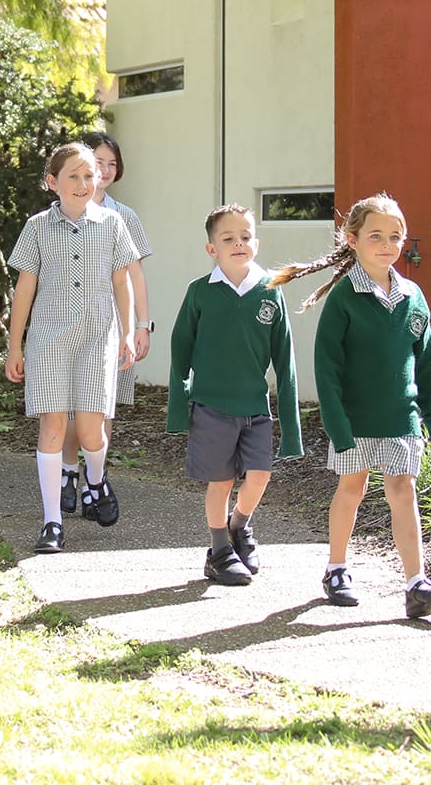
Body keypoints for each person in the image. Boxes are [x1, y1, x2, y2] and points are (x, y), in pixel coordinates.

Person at [270, 192, 431, 618]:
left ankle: (417, 584)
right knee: (352, 488)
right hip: (354, 420)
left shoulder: (413, 296)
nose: (387, 244)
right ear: (352, 240)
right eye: (376, 236)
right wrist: (337, 424)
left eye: (395, 236)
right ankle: (336, 569)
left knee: (402, 490)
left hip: (402, 418)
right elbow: (327, 367)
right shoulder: (344, 298)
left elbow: (426, 361)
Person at [4, 141, 138, 554]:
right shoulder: (37, 227)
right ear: (52, 182)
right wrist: (15, 346)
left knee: (92, 430)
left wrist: (129, 331)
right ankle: (52, 522)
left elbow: (122, 281)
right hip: (48, 339)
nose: (83, 183)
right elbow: (24, 289)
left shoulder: (113, 223)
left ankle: (95, 479)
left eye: (89, 175)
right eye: (73, 176)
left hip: (98, 336)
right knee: (53, 426)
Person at [167, 204, 302, 586]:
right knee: (221, 481)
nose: (238, 243)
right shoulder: (200, 292)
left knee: (259, 476)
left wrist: (291, 426)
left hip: (255, 406)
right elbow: (180, 349)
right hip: (212, 406)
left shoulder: (270, 291)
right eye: (228, 238)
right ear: (212, 249)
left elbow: (285, 359)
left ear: (256, 243)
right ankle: (219, 552)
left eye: (245, 237)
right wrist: (178, 408)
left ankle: (238, 526)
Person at [60, 130, 152, 517]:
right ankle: (66, 473)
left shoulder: (123, 216)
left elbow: (135, 275)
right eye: (99, 162)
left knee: (102, 409)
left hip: (112, 328)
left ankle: (93, 483)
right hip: (67, 326)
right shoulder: (60, 212)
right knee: (67, 407)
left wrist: (142, 324)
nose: (106, 170)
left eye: (113, 164)